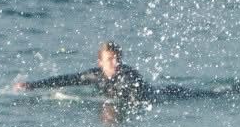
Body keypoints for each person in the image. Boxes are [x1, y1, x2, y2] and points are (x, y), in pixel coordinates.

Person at [13, 41, 151, 103]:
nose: (116, 63)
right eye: (110, 59)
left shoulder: (129, 76)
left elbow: (138, 97)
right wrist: (33, 85)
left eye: (118, 59)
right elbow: (66, 80)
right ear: (100, 63)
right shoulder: (96, 75)